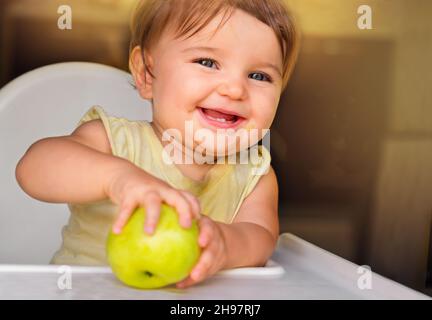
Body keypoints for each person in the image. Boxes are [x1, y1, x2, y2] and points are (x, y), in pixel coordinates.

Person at [15, 0, 299, 288]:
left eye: (259, 76)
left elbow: (260, 237)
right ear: (146, 73)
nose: (235, 89)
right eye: (207, 62)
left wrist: (224, 244)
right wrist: (118, 179)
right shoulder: (113, 141)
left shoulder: (253, 176)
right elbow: (33, 168)